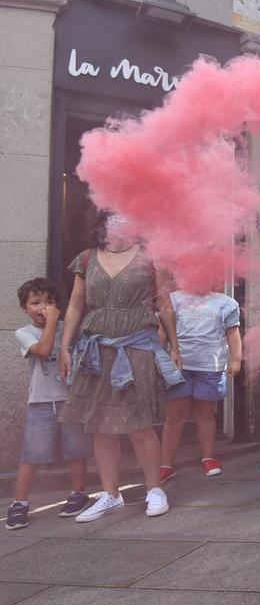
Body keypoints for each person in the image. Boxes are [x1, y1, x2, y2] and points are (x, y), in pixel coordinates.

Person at [59, 211, 183, 522]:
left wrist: (174, 346)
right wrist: (64, 345)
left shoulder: (151, 258)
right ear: (101, 224)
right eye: (113, 219)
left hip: (138, 348)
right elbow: (75, 304)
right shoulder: (87, 258)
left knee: (140, 425)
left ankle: (155, 489)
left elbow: (164, 304)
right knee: (100, 426)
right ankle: (110, 494)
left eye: (127, 218)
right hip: (95, 351)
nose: (120, 224)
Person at [8, 279, 91, 530]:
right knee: (32, 454)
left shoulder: (69, 328)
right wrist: (53, 322)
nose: (43, 307)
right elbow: (43, 350)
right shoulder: (24, 333)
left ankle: (79, 493)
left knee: (76, 449)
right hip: (41, 402)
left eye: (50, 302)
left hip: (70, 399)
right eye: (36, 303)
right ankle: (20, 503)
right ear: (24, 308)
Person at [159, 289, 242, 480]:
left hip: (210, 367)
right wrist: (156, 356)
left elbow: (232, 332)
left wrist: (236, 359)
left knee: (205, 415)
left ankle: (207, 458)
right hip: (179, 366)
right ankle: (165, 464)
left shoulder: (226, 303)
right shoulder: (173, 298)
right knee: (174, 415)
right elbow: (162, 329)